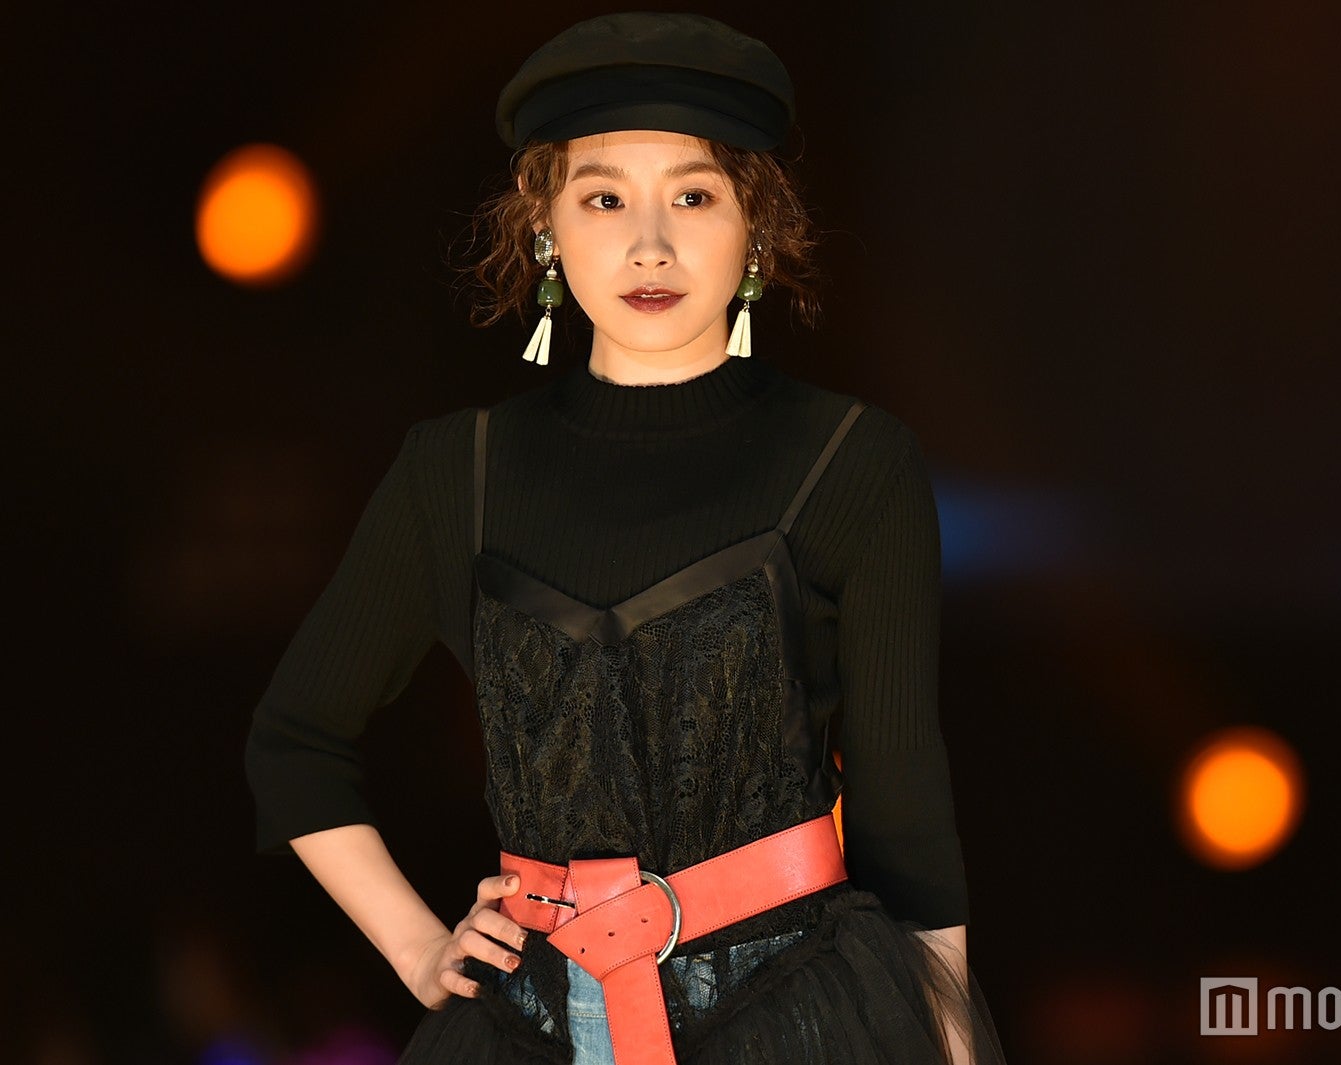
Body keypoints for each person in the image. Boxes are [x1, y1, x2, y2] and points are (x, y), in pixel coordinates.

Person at [245, 12, 1007, 1065]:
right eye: (603, 198)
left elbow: (904, 819)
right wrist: (419, 950)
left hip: (797, 1018)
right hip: (524, 1029)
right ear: (544, 226)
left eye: (694, 196)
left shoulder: (851, 460)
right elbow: (294, 741)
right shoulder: (456, 471)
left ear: (757, 224)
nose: (651, 243)